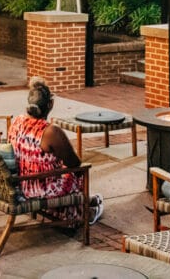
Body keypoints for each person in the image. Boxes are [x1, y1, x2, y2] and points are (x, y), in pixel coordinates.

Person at [8, 77, 103, 224]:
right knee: (77, 173)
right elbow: (74, 163)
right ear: (50, 104)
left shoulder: (18, 121)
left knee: (66, 171)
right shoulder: (50, 131)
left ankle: (88, 200)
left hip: (21, 183)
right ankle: (84, 214)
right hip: (39, 189)